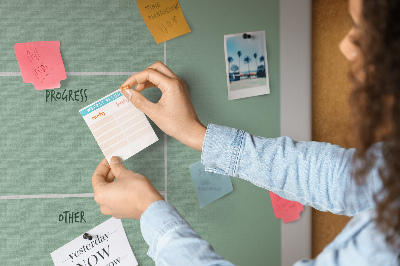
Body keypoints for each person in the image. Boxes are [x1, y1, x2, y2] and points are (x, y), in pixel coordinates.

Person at [91, 0, 400, 264]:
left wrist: (149, 210)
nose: (346, 47)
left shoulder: (386, 247)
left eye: (364, 31)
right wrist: (196, 134)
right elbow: (342, 178)